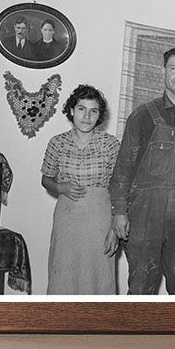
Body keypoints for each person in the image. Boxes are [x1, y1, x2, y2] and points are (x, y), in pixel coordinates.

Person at [108, 46, 175, 294]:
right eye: (173, 68)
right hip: (144, 216)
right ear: (163, 71)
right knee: (140, 287)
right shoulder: (141, 117)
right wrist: (119, 212)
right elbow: (123, 170)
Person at [40, 84, 121, 294]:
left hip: (99, 221)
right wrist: (60, 187)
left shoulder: (111, 145)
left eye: (93, 111)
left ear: (99, 115)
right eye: (81, 109)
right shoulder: (57, 143)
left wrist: (114, 230)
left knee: (99, 277)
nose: (87, 116)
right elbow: (46, 179)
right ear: (72, 110)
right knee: (63, 275)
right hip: (67, 220)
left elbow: (121, 189)